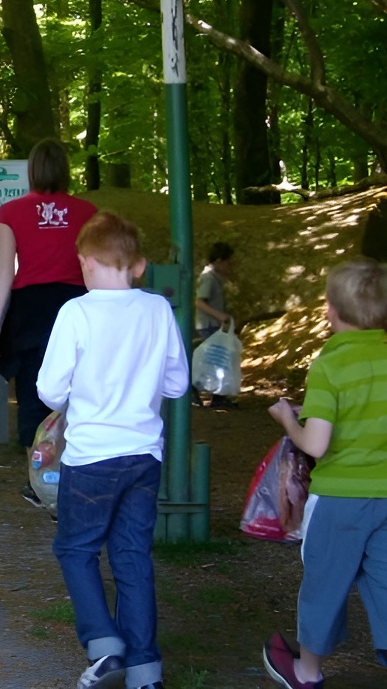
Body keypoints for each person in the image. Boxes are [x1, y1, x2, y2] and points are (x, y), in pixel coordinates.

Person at [37, 211, 188, 689]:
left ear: (85, 262)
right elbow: (178, 383)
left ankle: (105, 647)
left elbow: (49, 389)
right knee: (132, 555)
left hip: (91, 456)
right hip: (144, 454)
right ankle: (146, 670)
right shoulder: (158, 310)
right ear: (137, 265)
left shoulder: (76, 313)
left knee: (76, 548)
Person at [261, 258, 387, 689]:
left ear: (330, 311)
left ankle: (307, 672)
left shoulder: (330, 363)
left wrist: (285, 418)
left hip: (339, 498)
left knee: (325, 583)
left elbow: (314, 444)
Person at [0, 138, 97, 499]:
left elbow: (4, 271)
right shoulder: (87, 212)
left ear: (31, 171)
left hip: (30, 308)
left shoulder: (11, 211)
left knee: (33, 390)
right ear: (65, 170)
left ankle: (39, 477)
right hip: (76, 303)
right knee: (80, 389)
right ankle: (77, 471)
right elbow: (92, 268)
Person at [194, 241, 237, 408]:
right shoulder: (208, 278)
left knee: (216, 360)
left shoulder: (213, 278)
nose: (230, 266)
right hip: (209, 325)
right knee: (217, 360)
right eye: (228, 262)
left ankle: (218, 397)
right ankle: (215, 398)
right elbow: (199, 302)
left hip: (213, 324)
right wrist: (220, 316)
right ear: (219, 260)